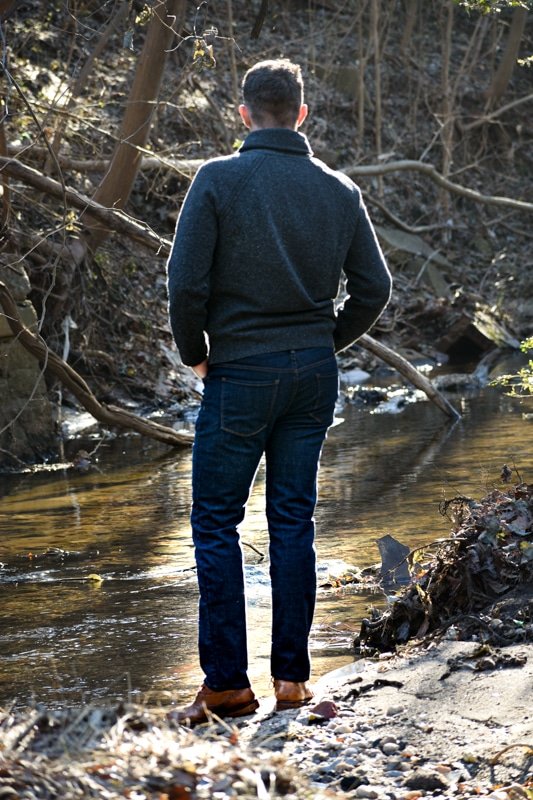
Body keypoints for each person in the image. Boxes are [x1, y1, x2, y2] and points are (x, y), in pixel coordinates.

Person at [166, 59, 392, 725]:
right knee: (293, 519)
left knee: (215, 522)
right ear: (300, 114)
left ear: (244, 114)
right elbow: (374, 289)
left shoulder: (217, 180)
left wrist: (194, 356)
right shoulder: (338, 190)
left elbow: (185, 285)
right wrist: (327, 344)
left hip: (237, 372)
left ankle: (228, 687)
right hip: (310, 375)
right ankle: (292, 682)